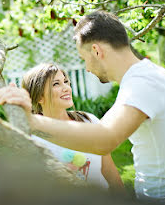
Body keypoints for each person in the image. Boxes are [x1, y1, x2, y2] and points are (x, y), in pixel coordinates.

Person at [0, 10, 165, 205]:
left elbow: (105, 140)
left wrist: (32, 121)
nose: (87, 68)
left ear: (97, 51)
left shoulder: (143, 84)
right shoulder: (148, 76)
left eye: (84, 58)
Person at [21, 63, 124, 191]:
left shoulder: (89, 121)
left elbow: (109, 170)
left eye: (65, 81)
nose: (66, 88)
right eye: (56, 84)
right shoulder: (33, 137)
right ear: (40, 96)